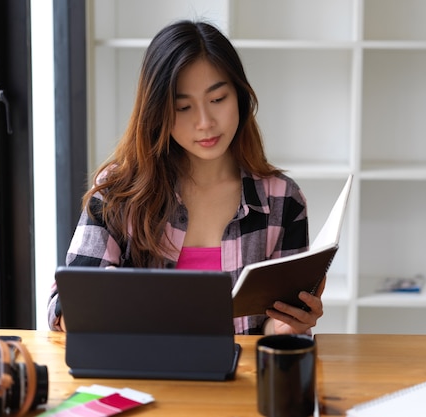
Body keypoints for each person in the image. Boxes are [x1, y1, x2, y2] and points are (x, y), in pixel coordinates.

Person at [47, 20, 325, 335]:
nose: (205, 122)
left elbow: (275, 331)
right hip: (144, 379)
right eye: (183, 107)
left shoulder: (282, 200)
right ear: (157, 113)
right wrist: (100, 304)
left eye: (218, 99)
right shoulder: (119, 193)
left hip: (239, 381)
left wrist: (287, 326)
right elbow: (64, 309)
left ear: (241, 97)